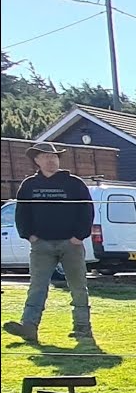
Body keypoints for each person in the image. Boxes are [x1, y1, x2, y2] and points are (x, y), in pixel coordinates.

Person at [3, 143, 95, 343]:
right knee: (37, 286)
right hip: (41, 245)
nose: (51, 160)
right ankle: (29, 327)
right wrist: (29, 236)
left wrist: (79, 237)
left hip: (71, 244)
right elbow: (22, 214)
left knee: (78, 287)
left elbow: (87, 211)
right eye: (46, 157)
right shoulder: (29, 185)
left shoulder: (74, 183)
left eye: (54, 157)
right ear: (37, 160)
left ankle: (83, 329)